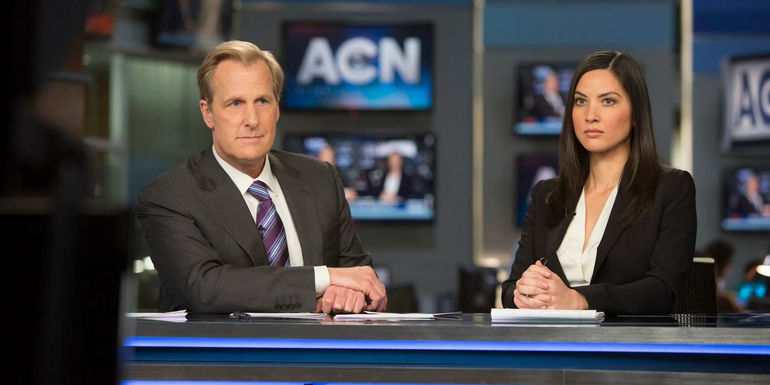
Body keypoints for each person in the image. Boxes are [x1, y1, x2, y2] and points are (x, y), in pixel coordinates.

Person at [137, 40, 387, 314]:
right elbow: (205, 288)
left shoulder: (320, 178)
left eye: (262, 101)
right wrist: (325, 278)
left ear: (276, 108)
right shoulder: (169, 195)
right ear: (208, 113)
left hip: (318, 354)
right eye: (235, 103)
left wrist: (348, 294)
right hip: (222, 355)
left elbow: (359, 276)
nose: (252, 119)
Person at [501, 50, 697, 315]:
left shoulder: (671, 188)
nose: (590, 115)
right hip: (550, 347)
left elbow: (662, 291)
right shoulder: (546, 194)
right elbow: (511, 287)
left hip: (628, 349)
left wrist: (580, 300)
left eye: (607, 101)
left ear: (636, 113)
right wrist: (522, 295)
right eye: (580, 102)